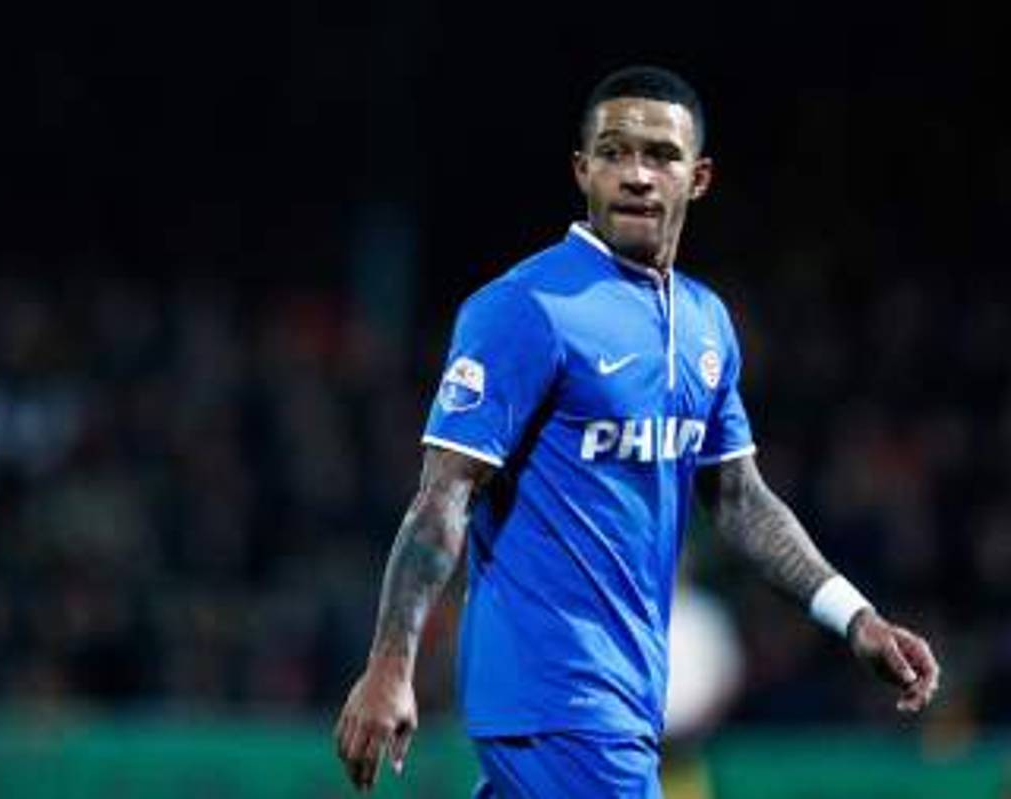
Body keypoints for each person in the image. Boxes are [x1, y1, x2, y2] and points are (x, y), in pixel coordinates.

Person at [334, 65, 940, 797]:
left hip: (628, 699)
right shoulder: (526, 308)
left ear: (700, 177)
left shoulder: (706, 323)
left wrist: (857, 618)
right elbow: (442, 498)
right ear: (582, 169)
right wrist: (391, 666)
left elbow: (742, 499)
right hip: (558, 693)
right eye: (616, 152)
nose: (637, 175)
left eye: (661, 155)